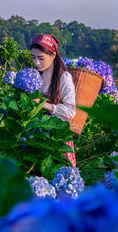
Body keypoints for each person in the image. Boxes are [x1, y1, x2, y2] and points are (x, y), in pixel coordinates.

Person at [30, 34, 77, 167]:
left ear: (53, 55)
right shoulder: (34, 78)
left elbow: (70, 112)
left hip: (57, 139)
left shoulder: (64, 78)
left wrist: (43, 104)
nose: (36, 63)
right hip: (37, 137)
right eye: (33, 57)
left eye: (41, 58)